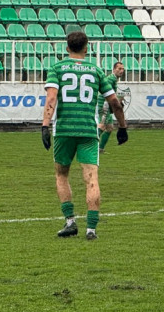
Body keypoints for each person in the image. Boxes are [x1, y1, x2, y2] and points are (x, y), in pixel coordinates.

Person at [42, 31, 129, 240]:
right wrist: (123, 127)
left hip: (64, 130)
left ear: (67, 48)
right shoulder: (96, 70)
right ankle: (91, 229)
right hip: (88, 131)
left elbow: (52, 98)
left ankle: (70, 221)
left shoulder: (57, 68)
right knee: (91, 178)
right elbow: (114, 103)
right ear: (86, 48)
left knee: (62, 175)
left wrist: (45, 125)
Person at [97, 61, 126, 153]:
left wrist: (118, 100)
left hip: (106, 104)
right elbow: (106, 94)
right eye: (119, 69)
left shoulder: (114, 79)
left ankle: (100, 149)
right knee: (102, 126)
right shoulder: (111, 79)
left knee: (109, 128)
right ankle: (90, 146)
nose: (121, 71)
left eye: (123, 69)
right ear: (114, 69)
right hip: (104, 104)